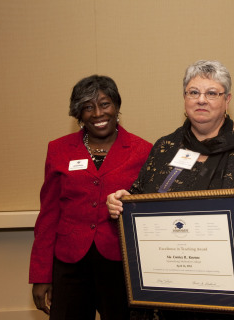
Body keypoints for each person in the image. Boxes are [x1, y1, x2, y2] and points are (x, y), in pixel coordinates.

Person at [107, 60, 234, 320]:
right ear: (184, 98)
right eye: (193, 92)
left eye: (211, 93)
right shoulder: (164, 148)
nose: (201, 100)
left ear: (227, 100)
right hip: (168, 297)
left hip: (232, 300)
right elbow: (138, 202)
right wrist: (121, 202)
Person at [29, 75, 152, 320]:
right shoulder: (59, 149)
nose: (97, 113)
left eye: (104, 104)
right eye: (88, 107)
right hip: (70, 263)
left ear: (116, 107)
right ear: (78, 114)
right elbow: (49, 215)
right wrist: (41, 275)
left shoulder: (143, 150)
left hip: (121, 262)